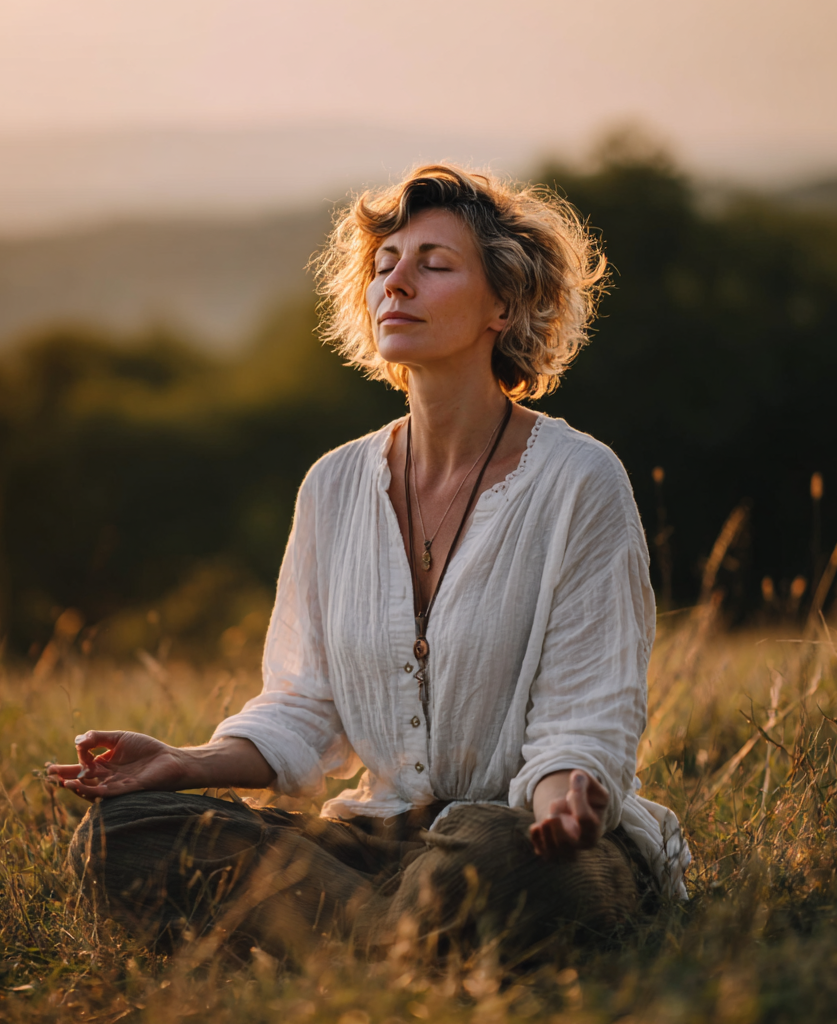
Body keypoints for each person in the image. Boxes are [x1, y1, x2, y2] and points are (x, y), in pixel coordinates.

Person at [47, 164, 690, 961]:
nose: (398, 281)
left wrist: (569, 800)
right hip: (373, 843)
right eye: (385, 264)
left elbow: (585, 717)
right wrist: (185, 761)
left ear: (505, 304)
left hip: (523, 837)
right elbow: (303, 705)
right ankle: (409, 942)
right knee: (119, 836)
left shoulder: (579, 481)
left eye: (434, 263)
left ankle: (352, 934)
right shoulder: (334, 485)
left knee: (500, 869)